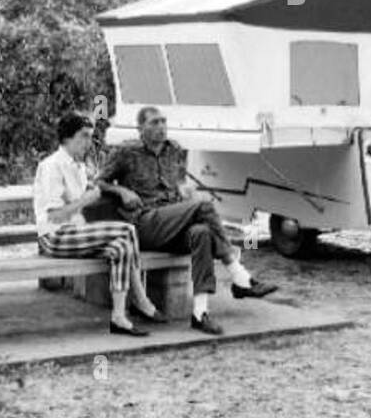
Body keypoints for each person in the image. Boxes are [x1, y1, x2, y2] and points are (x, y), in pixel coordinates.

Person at [100, 106, 278, 336]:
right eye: (154, 123)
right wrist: (122, 191)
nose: (161, 127)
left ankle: (199, 313)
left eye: (163, 122)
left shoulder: (174, 150)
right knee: (204, 206)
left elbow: (180, 181)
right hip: (145, 224)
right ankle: (239, 275)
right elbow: (99, 182)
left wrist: (184, 191)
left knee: (201, 233)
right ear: (140, 128)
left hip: (173, 221)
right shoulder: (126, 152)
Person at [33, 112, 167, 337]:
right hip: (54, 237)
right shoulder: (51, 166)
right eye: (83, 136)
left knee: (121, 247)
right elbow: (54, 216)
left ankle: (119, 317)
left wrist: (105, 191)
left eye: (90, 136)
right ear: (67, 138)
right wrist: (85, 200)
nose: (88, 142)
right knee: (127, 230)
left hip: (77, 232)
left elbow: (91, 195)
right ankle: (142, 300)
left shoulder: (79, 167)